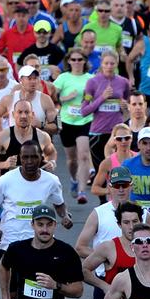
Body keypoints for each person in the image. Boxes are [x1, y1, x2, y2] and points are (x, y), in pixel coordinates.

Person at [0, 140, 71, 255]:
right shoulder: (5, 180)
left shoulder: (51, 181)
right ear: (19, 158)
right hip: (11, 241)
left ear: (41, 158)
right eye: (25, 157)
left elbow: (59, 203)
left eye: (34, 157)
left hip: (40, 242)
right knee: (7, 273)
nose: (29, 162)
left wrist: (65, 216)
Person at [55, 48, 94, 203]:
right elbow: (53, 97)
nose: (77, 62)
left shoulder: (91, 79)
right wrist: (66, 97)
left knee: (84, 155)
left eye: (80, 59)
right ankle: (73, 179)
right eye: (74, 60)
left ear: (85, 61)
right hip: (66, 121)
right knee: (72, 160)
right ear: (69, 61)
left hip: (85, 120)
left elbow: (97, 97)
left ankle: (82, 191)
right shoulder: (63, 78)